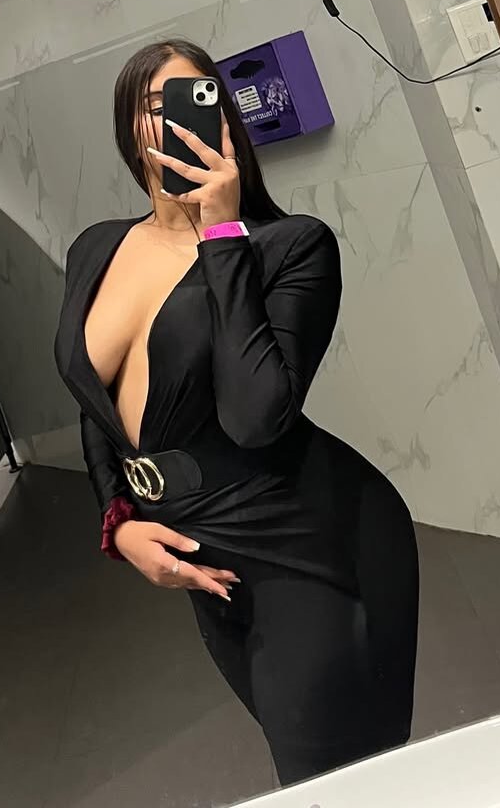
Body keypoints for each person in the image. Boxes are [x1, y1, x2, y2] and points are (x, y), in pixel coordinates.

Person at [54, 39, 418, 786]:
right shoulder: (95, 249)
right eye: (150, 106)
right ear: (129, 129)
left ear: (225, 119)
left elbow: (256, 417)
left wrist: (221, 233)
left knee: (329, 779)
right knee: (339, 770)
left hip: (308, 544)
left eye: (191, 101)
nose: (170, 121)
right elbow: (96, 401)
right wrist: (117, 521)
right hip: (210, 566)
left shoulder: (291, 247)